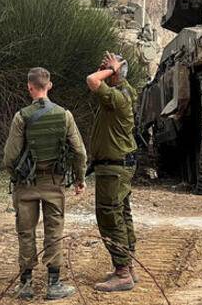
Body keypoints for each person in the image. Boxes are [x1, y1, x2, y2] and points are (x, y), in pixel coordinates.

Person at [3, 67, 87, 301]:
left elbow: (10, 156)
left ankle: (26, 284)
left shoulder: (21, 117)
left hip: (26, 184)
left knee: (26, 231)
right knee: (54, 231)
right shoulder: (64, 115)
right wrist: (79, 179)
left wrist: (16, 177)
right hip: (54, 182)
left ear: (29, 87)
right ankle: (54, 283)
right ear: (49, 86)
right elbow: (79, 152)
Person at [85, 52, 139, 293]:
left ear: (115, 73)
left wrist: (112, 69)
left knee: (109, 217)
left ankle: (122, 272)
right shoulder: (123, 92)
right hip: (118, 165)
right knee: (122, 214)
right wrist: (111, 71)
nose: (101, 71)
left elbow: (91, 80)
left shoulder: (117, 97)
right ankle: (128, 266)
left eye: (106, 69)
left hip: (114, 168)